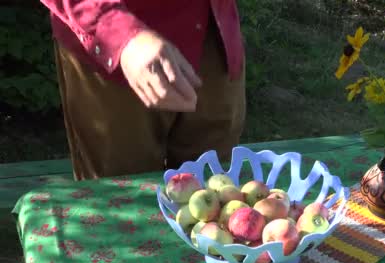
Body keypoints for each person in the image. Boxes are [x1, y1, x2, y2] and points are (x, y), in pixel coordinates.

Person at [40, 0, 246, 180]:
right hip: (117, 54)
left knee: (216, 196)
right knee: (122, 202)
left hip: (214, 34)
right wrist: (119, 33)